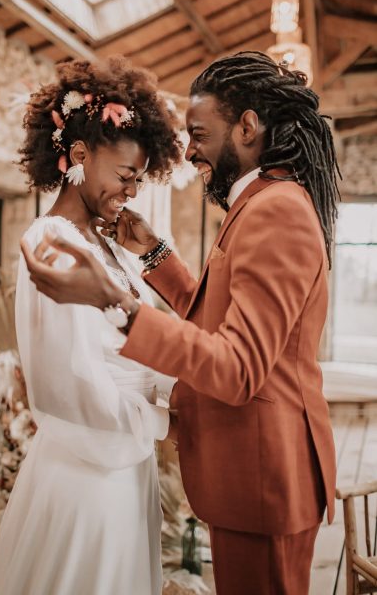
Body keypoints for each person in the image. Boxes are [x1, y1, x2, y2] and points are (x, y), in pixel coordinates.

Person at [22, 51, 339, 595]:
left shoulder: (274, 208)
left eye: (199, 133)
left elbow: (239, 366)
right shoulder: (260, 203)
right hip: (239, 472)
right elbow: (225, 316)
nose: (190, 151)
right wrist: (155, 257)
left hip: (262, 476)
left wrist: (120, 307)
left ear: (247, 126)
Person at [0, 57, 181, 595]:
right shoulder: (54, 244)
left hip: (124, 466)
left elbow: (145, 341)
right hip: (86, 479)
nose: (132, 192)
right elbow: (68, 386)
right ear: (77, 155)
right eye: (124, 176)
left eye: (140, 179)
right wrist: (166, 423)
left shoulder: (108, 244)